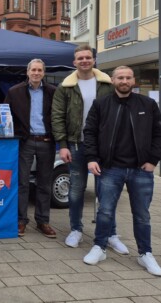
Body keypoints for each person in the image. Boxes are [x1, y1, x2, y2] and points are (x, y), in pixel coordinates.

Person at [82, 66, 161, 276]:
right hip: (111, 168)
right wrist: (92, 158)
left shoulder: (147, 104)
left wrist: (153, 160)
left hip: (141, 170)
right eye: (120, 77)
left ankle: (145, 254)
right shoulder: (101, 104)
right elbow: (90, 132)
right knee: (105, 211)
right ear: (113, 80)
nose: (124, 80)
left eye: (128, 77)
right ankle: (100, 247)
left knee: (142, 215)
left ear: (133, 80)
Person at [52, 45, 128, 253]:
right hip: (76, 145)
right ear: (74, 62)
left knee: (107, 192)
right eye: (80, 58)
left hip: (105, 147)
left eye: (88, 57)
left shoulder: (106, 84)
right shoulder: (65, 87)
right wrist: (63, 144)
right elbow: (57, 117)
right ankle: (76, 229)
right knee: (76, 191)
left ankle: (110, 233)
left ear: (94, 60)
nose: (84, 60)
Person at [5, 59, 57, 238]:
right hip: (25, 142)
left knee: (44, 183)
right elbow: (5, 115)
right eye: (33, 70)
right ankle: (21, 220)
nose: (36, 73)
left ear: (44, 72)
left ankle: (43, 221)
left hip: (47, 141)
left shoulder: (53, 91)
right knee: (22, 183)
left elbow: (59, 115)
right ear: (27, 72)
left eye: (39, 70)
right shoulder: (14, 92)